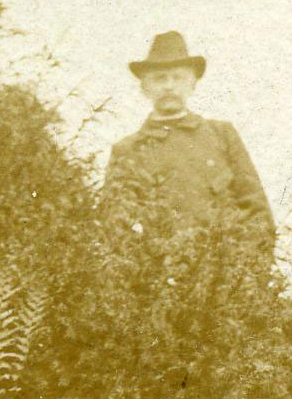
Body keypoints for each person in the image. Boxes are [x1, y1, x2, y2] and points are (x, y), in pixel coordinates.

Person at [105, 31, 277, 249]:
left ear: (192, 83)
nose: (169, 86)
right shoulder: (128, 150)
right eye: (160, 78)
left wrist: (249, 268)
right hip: (161, 272)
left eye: (178, 77)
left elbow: (256, 209)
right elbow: (116, 226)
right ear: (144, 88)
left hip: (225, 269)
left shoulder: (221, 135)